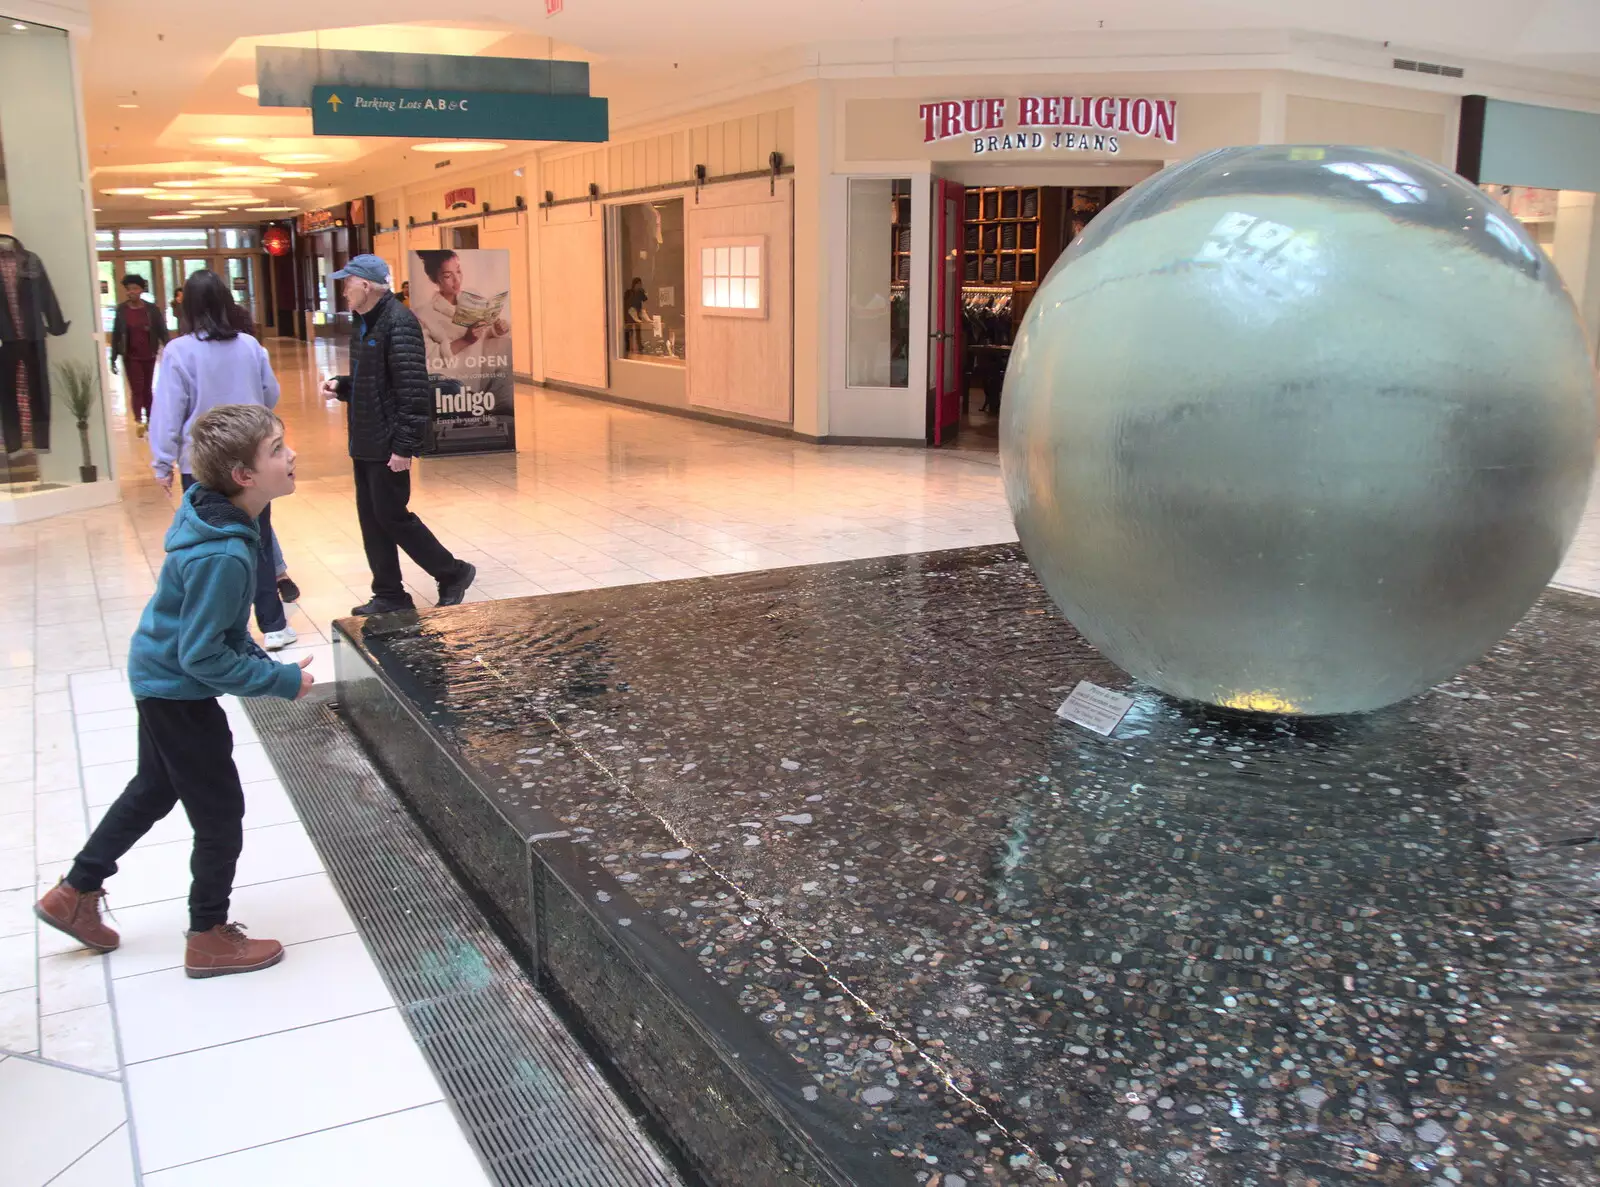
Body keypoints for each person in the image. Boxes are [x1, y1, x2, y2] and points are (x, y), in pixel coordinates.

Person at [34, 404, 312, 978]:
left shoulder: (225, 520)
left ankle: (74, 893)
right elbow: (204, 654)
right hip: (177, 690)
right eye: (278, 449)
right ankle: (207, 934)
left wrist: (264, 658)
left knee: (154, 788)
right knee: (220, 815)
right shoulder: (225, 552)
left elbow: (222, 632)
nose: (292, 456)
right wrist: (281, 682)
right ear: (244, 476)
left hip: (159, 675)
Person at [319, 255, 476, 615]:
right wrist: (343, 386)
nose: (344, 290)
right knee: (371, 519)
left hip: (388, 441)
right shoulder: (364, 323)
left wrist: (404, 445)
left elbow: (412, 389)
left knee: (391, 516)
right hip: (365, 438)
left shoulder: (399, 322)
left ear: (367, 285)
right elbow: (374, 381)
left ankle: (452, 572)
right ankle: (389, 593)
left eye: (348, 283)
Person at [149, 270, 295, 651]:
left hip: (200, 465)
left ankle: (227, 631)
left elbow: (168, 409)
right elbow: (271, 394)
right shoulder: (249, 346)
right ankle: (275, 625)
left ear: (189, 307)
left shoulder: (179, 351)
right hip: (252, 462)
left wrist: (162, 460)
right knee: (258, 540)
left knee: (211, 547)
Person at [413, 249, 509, 375]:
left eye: (458, 271)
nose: (457, 280)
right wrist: (465, 340)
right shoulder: (423, 314)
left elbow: (485, 332)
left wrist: (498, 329)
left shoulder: (473, 298)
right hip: (447, 385)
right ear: (435, 279)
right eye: (448, 276)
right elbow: (428, 357)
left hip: (477, 379)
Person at [108, 275, 168, 438]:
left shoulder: (151, 309)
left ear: (141, 290)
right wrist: (113, 357)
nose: (131, 292)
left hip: (148, 353)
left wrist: (169, 349)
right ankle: (138, 420)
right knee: (137, 388)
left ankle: (151, 418)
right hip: (130, 355)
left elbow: (162, 330)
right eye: (128, 289)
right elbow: (116, 334)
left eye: (134, 288)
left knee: (148, 388)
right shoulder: (122, 310)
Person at [623, 277, 648, 354]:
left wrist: (644, 292)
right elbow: (625, 302)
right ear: (635, 284)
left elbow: (645, 299)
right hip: (629, 315)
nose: (640, 285)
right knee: (629, 331)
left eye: (641, 284)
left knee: (638, 331)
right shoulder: (629, 292)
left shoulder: (640, 292)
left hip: (637, 314)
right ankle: (627, 348)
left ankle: (639, 347)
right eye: (639, 284)